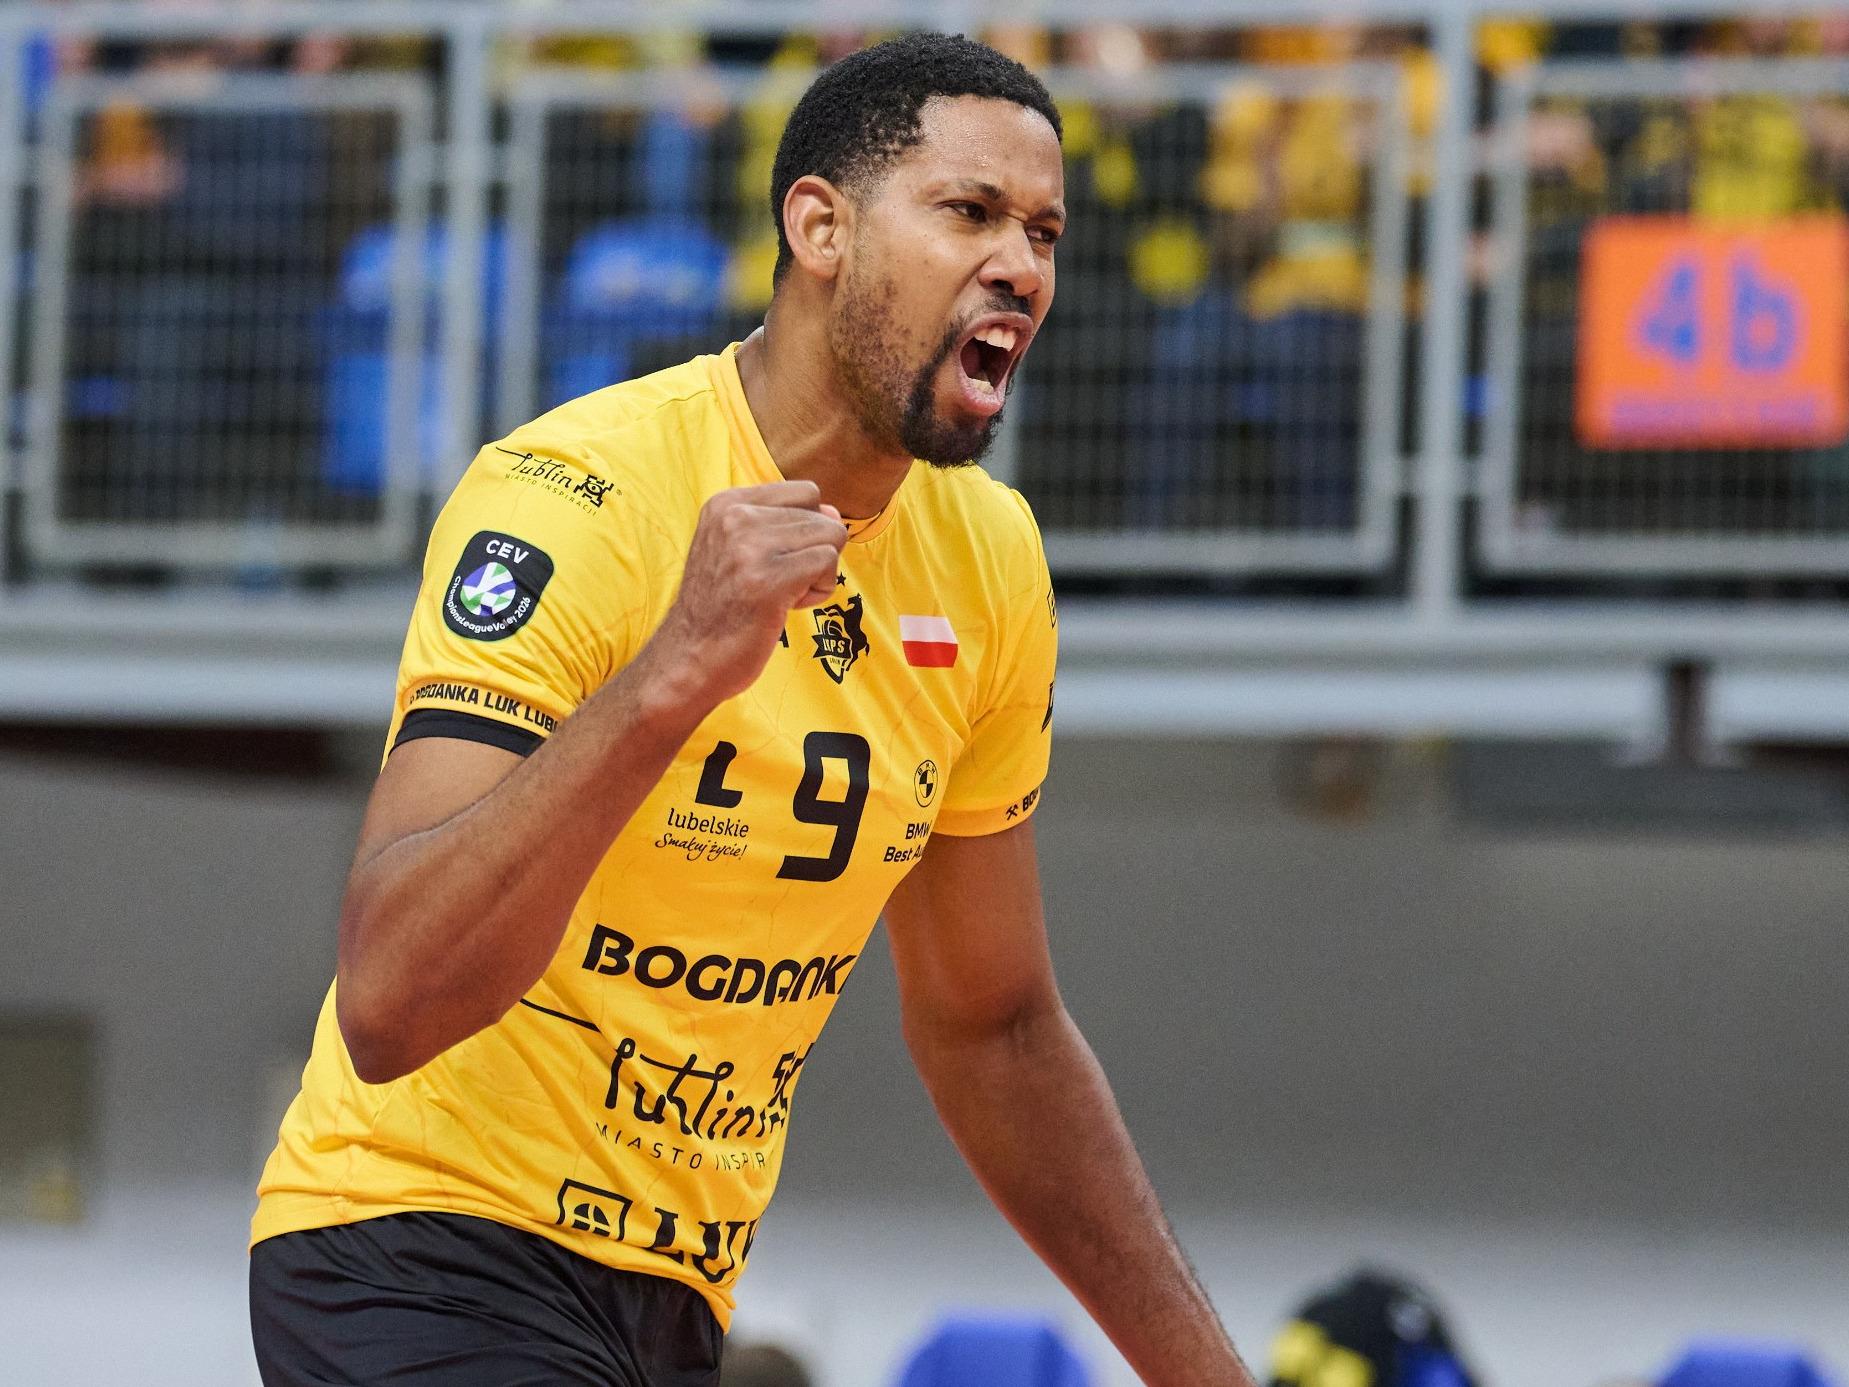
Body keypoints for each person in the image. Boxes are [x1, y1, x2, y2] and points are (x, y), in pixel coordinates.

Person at [249, 33, 1255, 1387]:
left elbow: (997, 1032)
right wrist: (674, 674)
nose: (1020, 265)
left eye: (1044, 232)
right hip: (414, 1244)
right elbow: (389, 998)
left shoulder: (991, 560)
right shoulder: (574, 494)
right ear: (819, 228)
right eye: (969, 211)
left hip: (675, 1296)